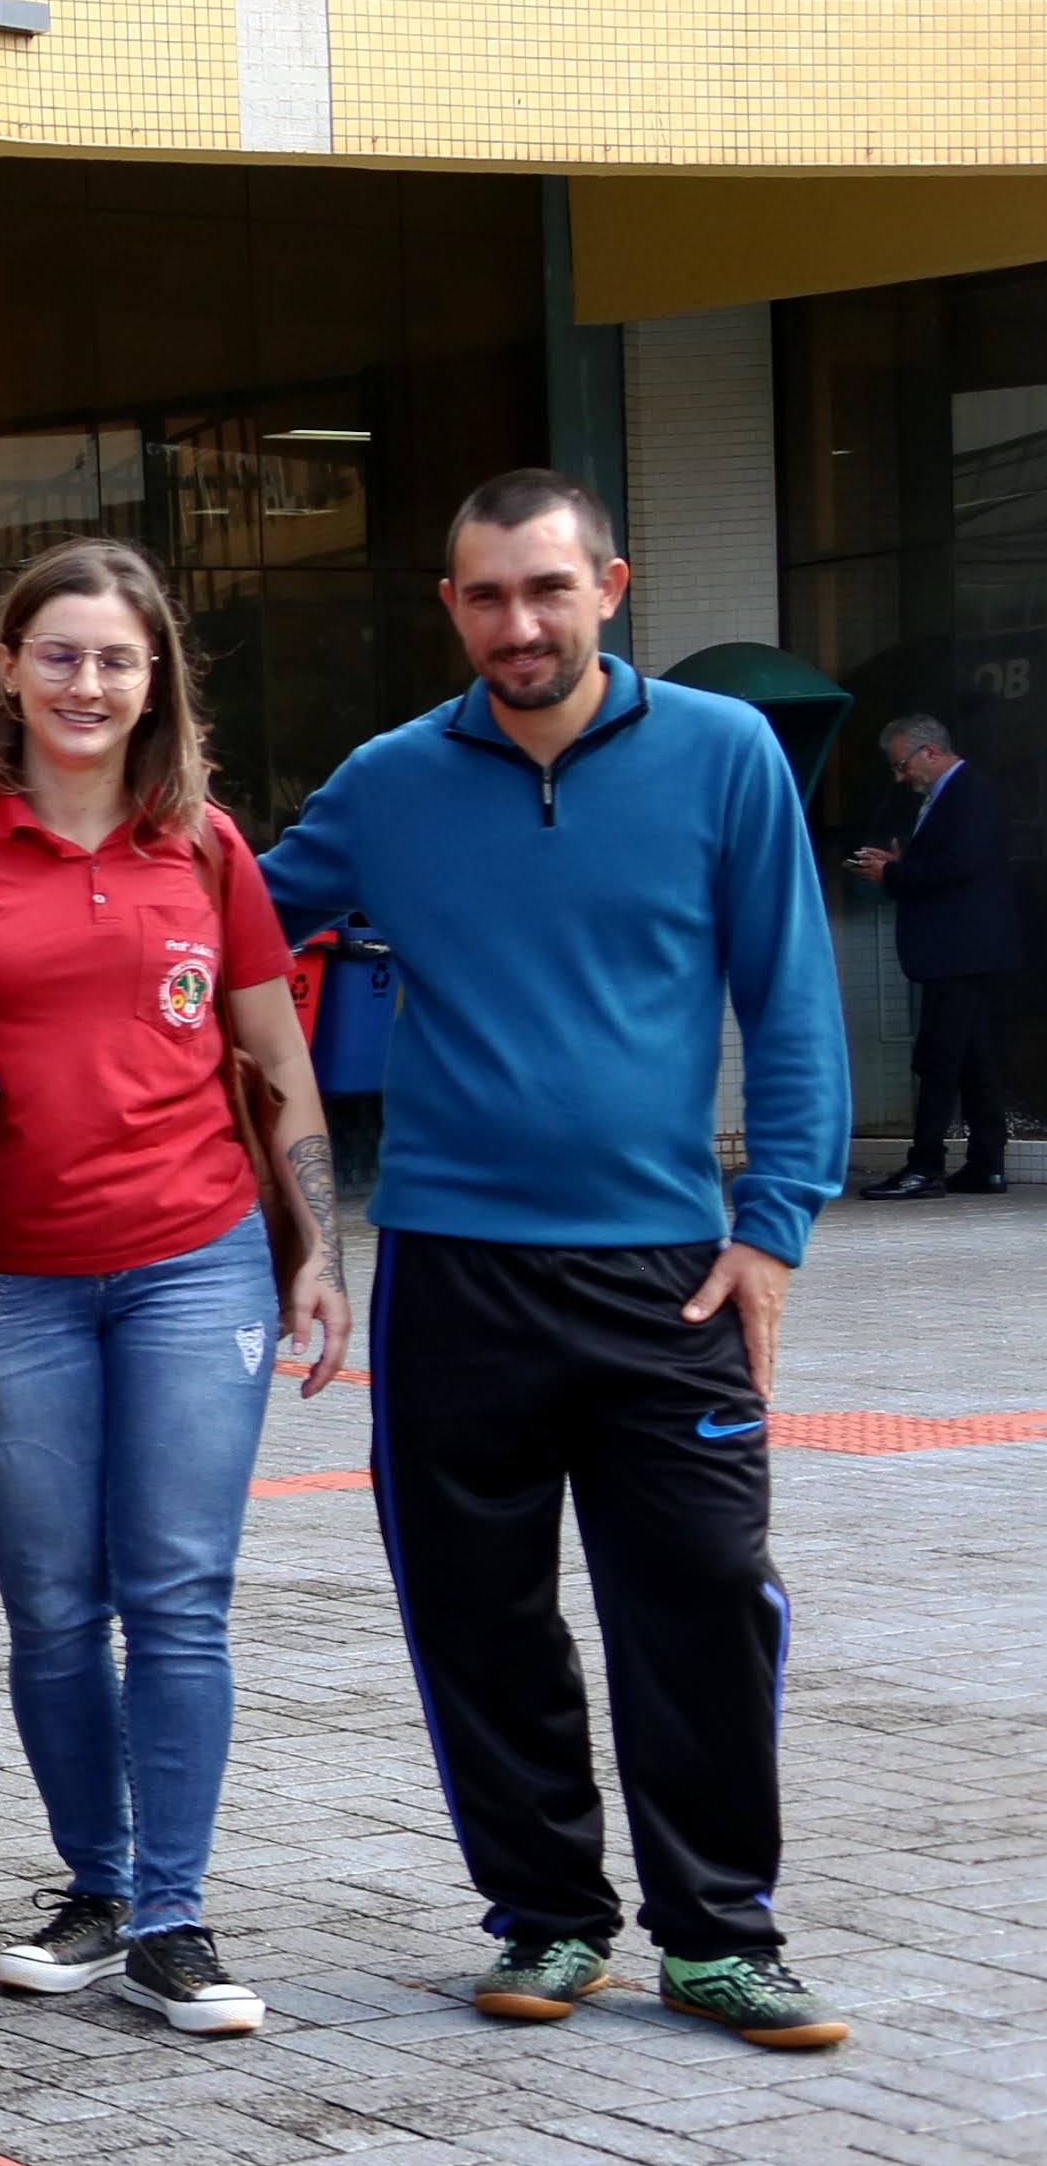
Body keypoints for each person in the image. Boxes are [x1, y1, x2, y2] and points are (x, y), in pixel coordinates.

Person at [257, 468, 852, 2047]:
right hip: (454, 1272)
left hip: (668, 1272)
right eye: (484, 596)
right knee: (477, 1610)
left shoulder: (722, 759)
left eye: (546, 589)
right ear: (447, 609)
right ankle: (543, 1915)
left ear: (610, 585)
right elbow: (226, 941)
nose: (517, 623)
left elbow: (788, 1000)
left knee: (704, 1595)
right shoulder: (387, 781)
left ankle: (720, 1931)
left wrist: (771, 1232)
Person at [0, 539, 346, 2042]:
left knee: (178, 1596)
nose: (87, 682)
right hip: (7, 1280)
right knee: (49, 1607)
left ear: (156, 683)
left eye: (117, 658)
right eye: (60, 653)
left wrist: (317, 1257)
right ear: (4, 669)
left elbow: (277, 1068)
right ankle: (92, 1886)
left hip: (189, 1260)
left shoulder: (204, 849)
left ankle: (170, 1917)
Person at [852, 711, 1012, 1198]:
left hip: (958, 948)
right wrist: (904, 865)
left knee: (938, 1057)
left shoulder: (967, 792)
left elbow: (960, 865)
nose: (902, 778)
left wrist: (896, 876)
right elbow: (953, 862)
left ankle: (925, 1165)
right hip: (962, 946)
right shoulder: (956, 794)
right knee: (971, 1057)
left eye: (903, 766)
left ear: (931, 752)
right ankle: (987, 1163)